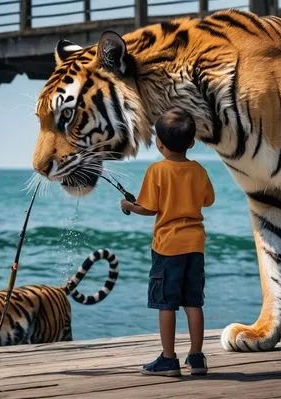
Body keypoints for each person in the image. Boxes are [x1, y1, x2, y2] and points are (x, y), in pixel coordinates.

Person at [121, 108, 215, 376]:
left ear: (159, 144)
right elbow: (208, 200)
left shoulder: (157, 170)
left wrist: (128, 204)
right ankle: (196, 358)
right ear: (192, 142)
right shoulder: (199, 170)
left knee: (166, 303)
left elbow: (148, 208)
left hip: (167, 248)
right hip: (195, 246)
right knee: (193, 302)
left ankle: (168, 358)